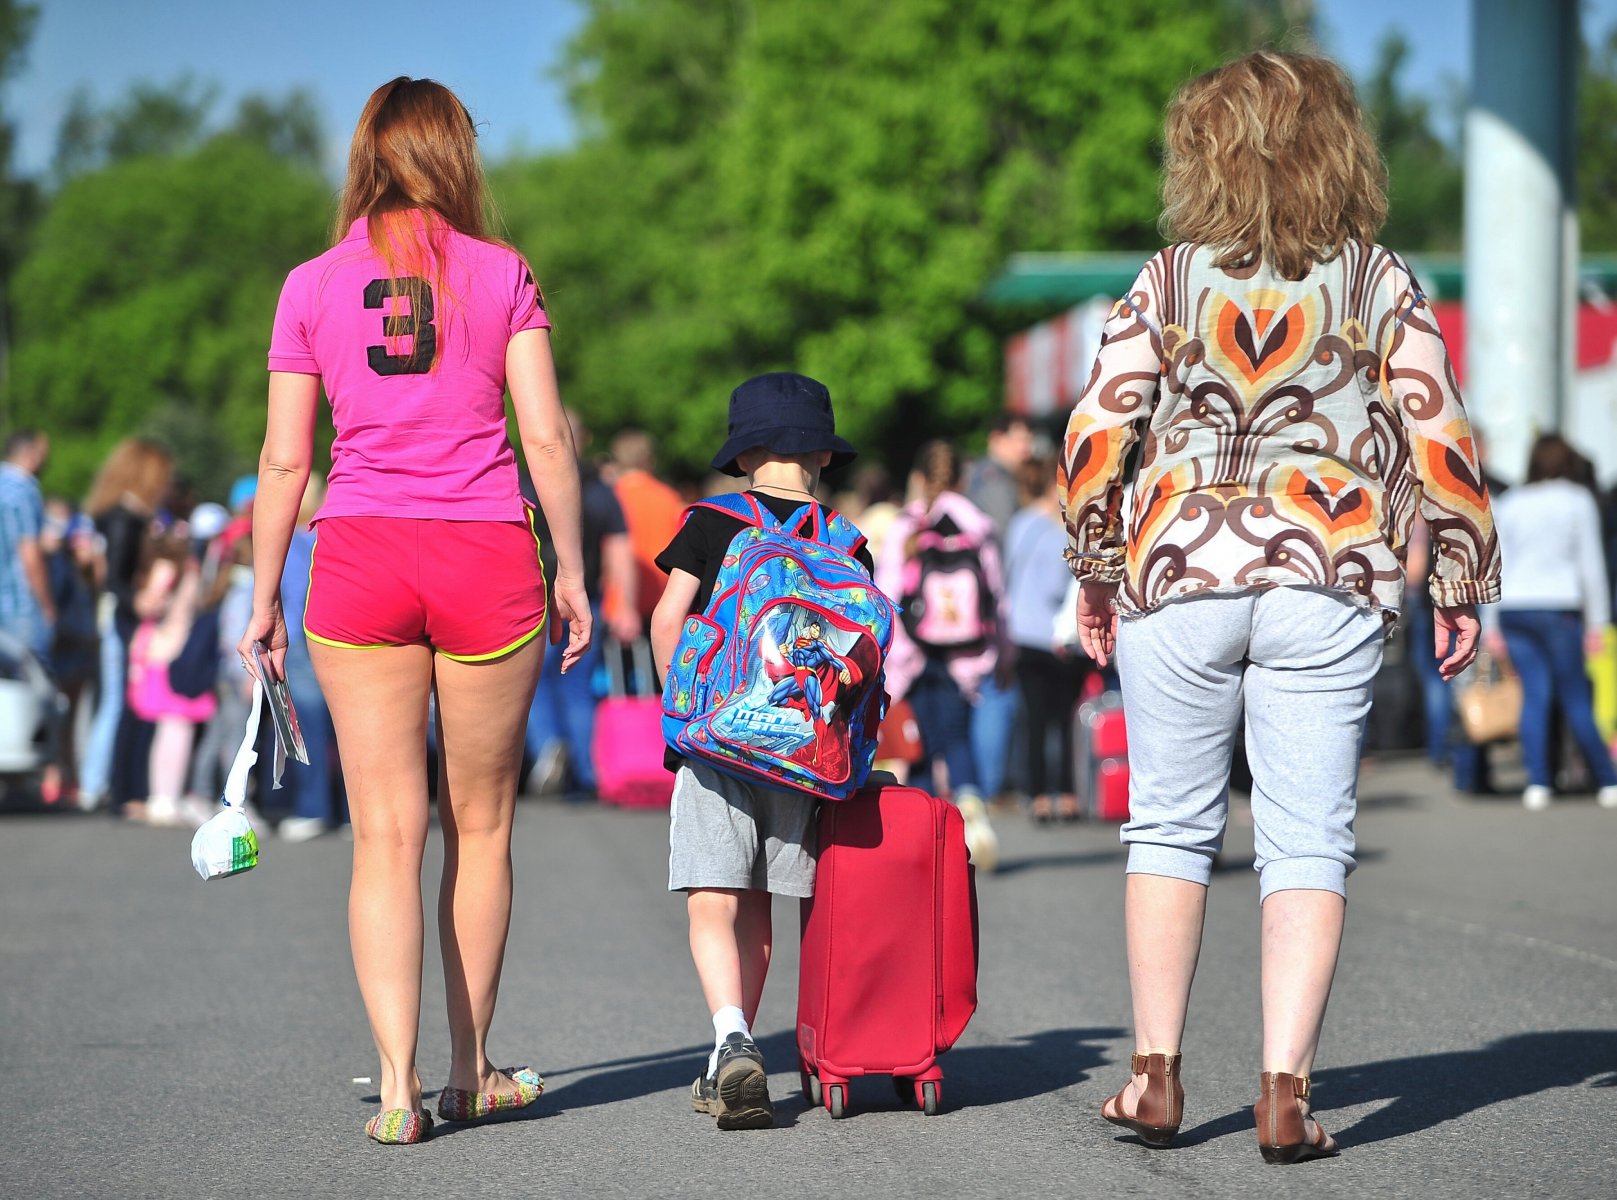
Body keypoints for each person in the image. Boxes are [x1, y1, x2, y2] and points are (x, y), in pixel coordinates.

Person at [1059, 51, 1499, 1163]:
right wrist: (1457, 575)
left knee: (1168, 821)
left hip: (1182, 569)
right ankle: (1284, 1098)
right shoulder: (1378, 280)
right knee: (1310, 836)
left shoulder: (1168, 279)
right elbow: (1439, 430)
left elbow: (1097, 435)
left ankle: (1154, 1077)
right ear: (1340, 149)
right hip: (1330, 567)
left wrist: (1097, 565)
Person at [239, 76, 590, 1146]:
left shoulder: (310, 283)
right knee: (478, 827)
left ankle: (396, 1090)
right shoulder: (504, 273)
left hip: (360, 556)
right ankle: (470, 1070)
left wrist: (262, 599)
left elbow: (286, 457)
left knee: (385, 836)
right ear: (454, 156)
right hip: (486, 552)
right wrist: (570, 568)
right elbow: (546, 440)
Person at [649, 371, 870, 1131]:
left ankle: (730, 1036)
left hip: (718, 740)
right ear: (823, 457)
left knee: (714, 894)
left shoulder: (711, 523)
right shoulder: (846, 542)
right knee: (766, 908)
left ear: (744, 456)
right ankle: (761, 1044)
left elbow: (668, 618)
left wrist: (680, 715)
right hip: (803, 754)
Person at [876, 440, 1005, 870]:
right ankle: (972, 813)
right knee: (958, 736)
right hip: (964, 654)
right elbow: (996, 595)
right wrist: (1003, 651)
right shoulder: (976, 524)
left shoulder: (906, 526)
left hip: (913, 654)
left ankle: (927, 838)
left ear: (918, 478)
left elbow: (888, 593)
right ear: (961, 479)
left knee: (922, 743)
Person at [1486, 434, 1617, 810]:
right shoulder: (1578, 500)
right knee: (1576, 695)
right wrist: (1598, 623)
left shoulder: (1512, 501)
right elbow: (1591, 566)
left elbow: (1499, 563)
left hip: (1515, 608)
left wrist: (1492, 624)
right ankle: (1606, 780)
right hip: (1560, 607)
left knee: (1535, 697)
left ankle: (1538, 782)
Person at [522, 407, 639, 800]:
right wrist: (625, 606)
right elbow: (619, 551)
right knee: (578, 685)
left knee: (533, 684)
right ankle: (586, 773)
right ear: (583, 441)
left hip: (529, 597)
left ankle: (548, 749)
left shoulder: (520, 482)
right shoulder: (598, 489)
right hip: (584, 597)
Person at [79, 437, 175, 813]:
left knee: (115, 702)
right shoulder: (125, 519)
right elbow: (115, 578)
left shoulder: (116, 515)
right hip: (122, 621)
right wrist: (138, 599)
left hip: (116, 618)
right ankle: (108, 786)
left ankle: (99, 783)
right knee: (121, 703)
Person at [1003, 458, 1081, 821]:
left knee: (1032, 719)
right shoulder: (1057, 531)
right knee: (1062, 720)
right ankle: (1065, 793)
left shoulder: (1018, 525)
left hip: (1021, 633)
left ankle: (1036, 796)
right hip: (1055, 636)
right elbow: (1055, 587)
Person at [277, 475, 344, 840]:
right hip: (343, 636)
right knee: (353, 731)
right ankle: (352, 813)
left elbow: (293, 593)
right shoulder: (331, 534)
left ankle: (313, 808)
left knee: (307, 730)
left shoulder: (292, 541)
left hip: (302, 638)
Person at [610, 428, 685, 629]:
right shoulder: (669, 497)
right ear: (649, 459)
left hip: (617, 599)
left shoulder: (612, 496)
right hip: (661, 596)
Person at [0, 430, 54, 660]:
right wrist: (47, 604)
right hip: (19, 605)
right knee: (29, 682)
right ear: (31, 454)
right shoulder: (24, 489)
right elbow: (29, 553)